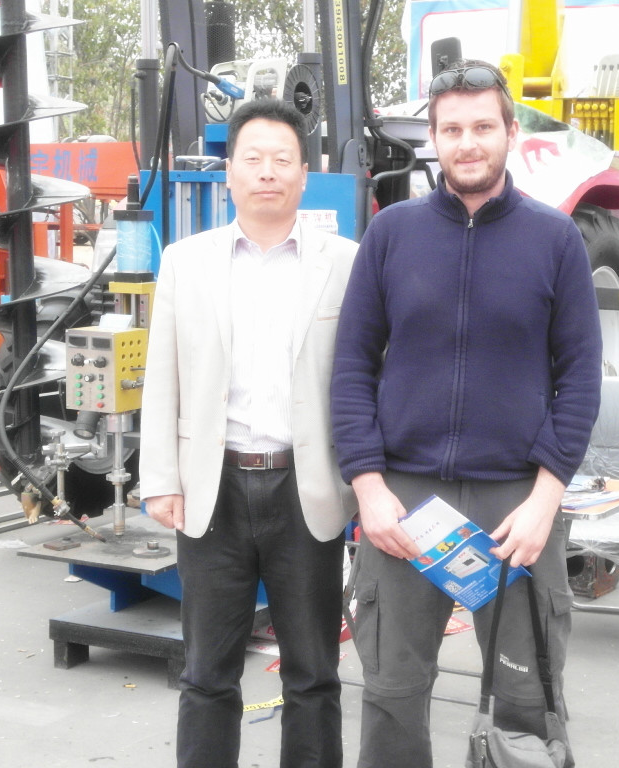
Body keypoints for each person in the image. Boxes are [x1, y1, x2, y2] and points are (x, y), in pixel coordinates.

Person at [331, 60, 602, 767]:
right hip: (405, 502)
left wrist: (546, 500)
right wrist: (368, 489)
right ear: (434, 138)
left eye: (483, 126)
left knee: (526, 696)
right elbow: (352, 366)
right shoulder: (391, 235)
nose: (468, 142)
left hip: (515, 504)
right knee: (391, 690)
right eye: (451, 129)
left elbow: (579, 378)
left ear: (511, 133)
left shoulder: (555, 241)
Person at [139, 97, 358, 768]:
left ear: (305, 173)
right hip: (214, 491)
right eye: (253, 158)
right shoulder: (187, 262)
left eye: (282, 159)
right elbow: (163, 375)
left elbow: (363, 381)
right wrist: (161, 480)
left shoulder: (346, 263)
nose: (268, 172)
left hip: (306, 490)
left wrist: (361, 487)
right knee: (207, 673)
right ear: (229, 171)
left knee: (313, 674)